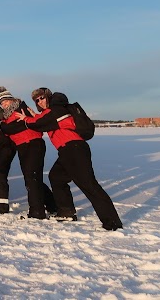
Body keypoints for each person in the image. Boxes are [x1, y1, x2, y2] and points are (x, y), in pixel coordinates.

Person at [17, 89, 123, 231]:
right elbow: (44, 121)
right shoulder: (53, 112)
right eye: (37, 100)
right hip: (67, 151)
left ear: (48, 97)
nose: (40, 101)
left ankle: (113, 222)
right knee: (56, 177)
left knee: (89, 185)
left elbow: (38, 123)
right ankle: (66, 212)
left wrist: (26, 119)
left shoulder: (56, 109)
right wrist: (35, 117)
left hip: (74, 150)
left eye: (42, 98)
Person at [0, 86, 57, 219]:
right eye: (2, 103)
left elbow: (16, 127)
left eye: (6, 101)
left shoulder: (21, 108)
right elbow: (8, 129)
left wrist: (4, 126)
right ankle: (53, 205)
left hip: (33, 144)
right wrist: (4, 126)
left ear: (12, 100)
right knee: (32, 178)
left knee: (32, 178)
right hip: (23, 146)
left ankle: (37, 211)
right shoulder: (7, 116)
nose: (4, 104)